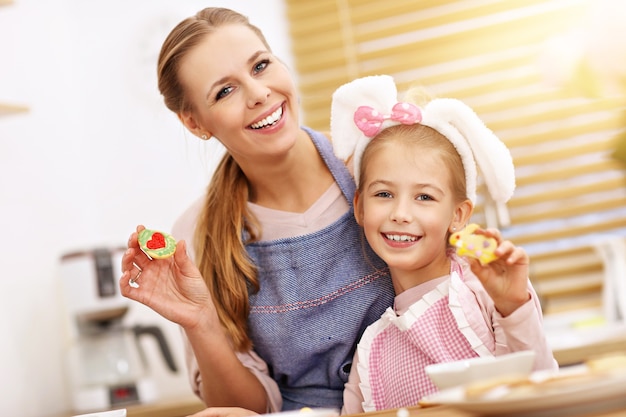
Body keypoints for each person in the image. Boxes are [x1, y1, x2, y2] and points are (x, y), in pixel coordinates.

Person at [118, 7, 395, 414]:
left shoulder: (377, 170)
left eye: (261, 66)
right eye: (224, 91)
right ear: (195, 123)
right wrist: (202, 323)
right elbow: (247, 409)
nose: (259, 93)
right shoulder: (197, 235)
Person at [329, 75, 558, 414]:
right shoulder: (370, 348)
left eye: (424, 196)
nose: (401, 213)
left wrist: (513, 305)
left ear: (458, 214)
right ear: (360, 207)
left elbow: (542, 394)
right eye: (384, 194)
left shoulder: (488, 294)